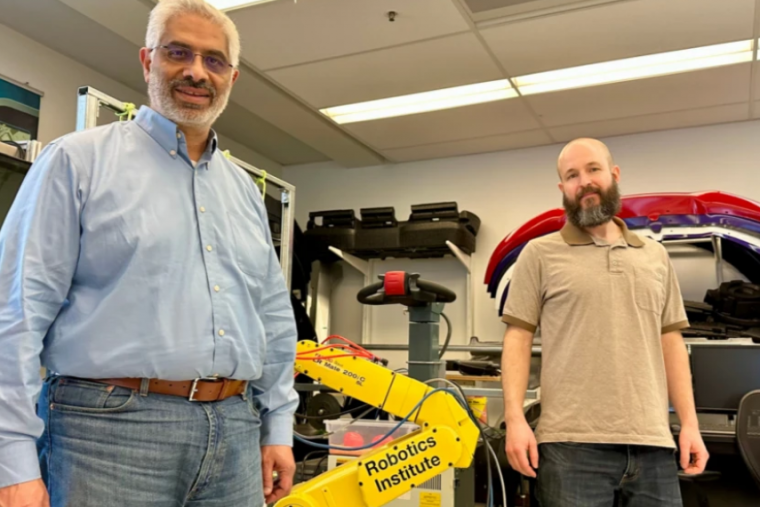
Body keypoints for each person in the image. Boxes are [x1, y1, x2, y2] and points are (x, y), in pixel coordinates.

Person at [0, 1, 298, 506]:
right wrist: (12, 462)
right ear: (147, 61)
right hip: (108, 432)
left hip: (235, 429)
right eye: (177, 52)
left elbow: (271, 315)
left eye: (214, 60)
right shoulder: (76, 161)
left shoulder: (244, 190)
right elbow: (17, 313)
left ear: (232, 76)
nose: (196, 71)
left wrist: (278, 426)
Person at [501, 138, 709, 506]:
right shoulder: (540, 253)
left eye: (593, 169)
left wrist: (690, 425)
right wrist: (515, 420)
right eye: (572, 175)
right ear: (562, 188)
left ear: (613, 175)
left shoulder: (655, 257)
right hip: (570, 448)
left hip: (654, 445)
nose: (584, 181)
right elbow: (518, 337)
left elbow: (671, 344)